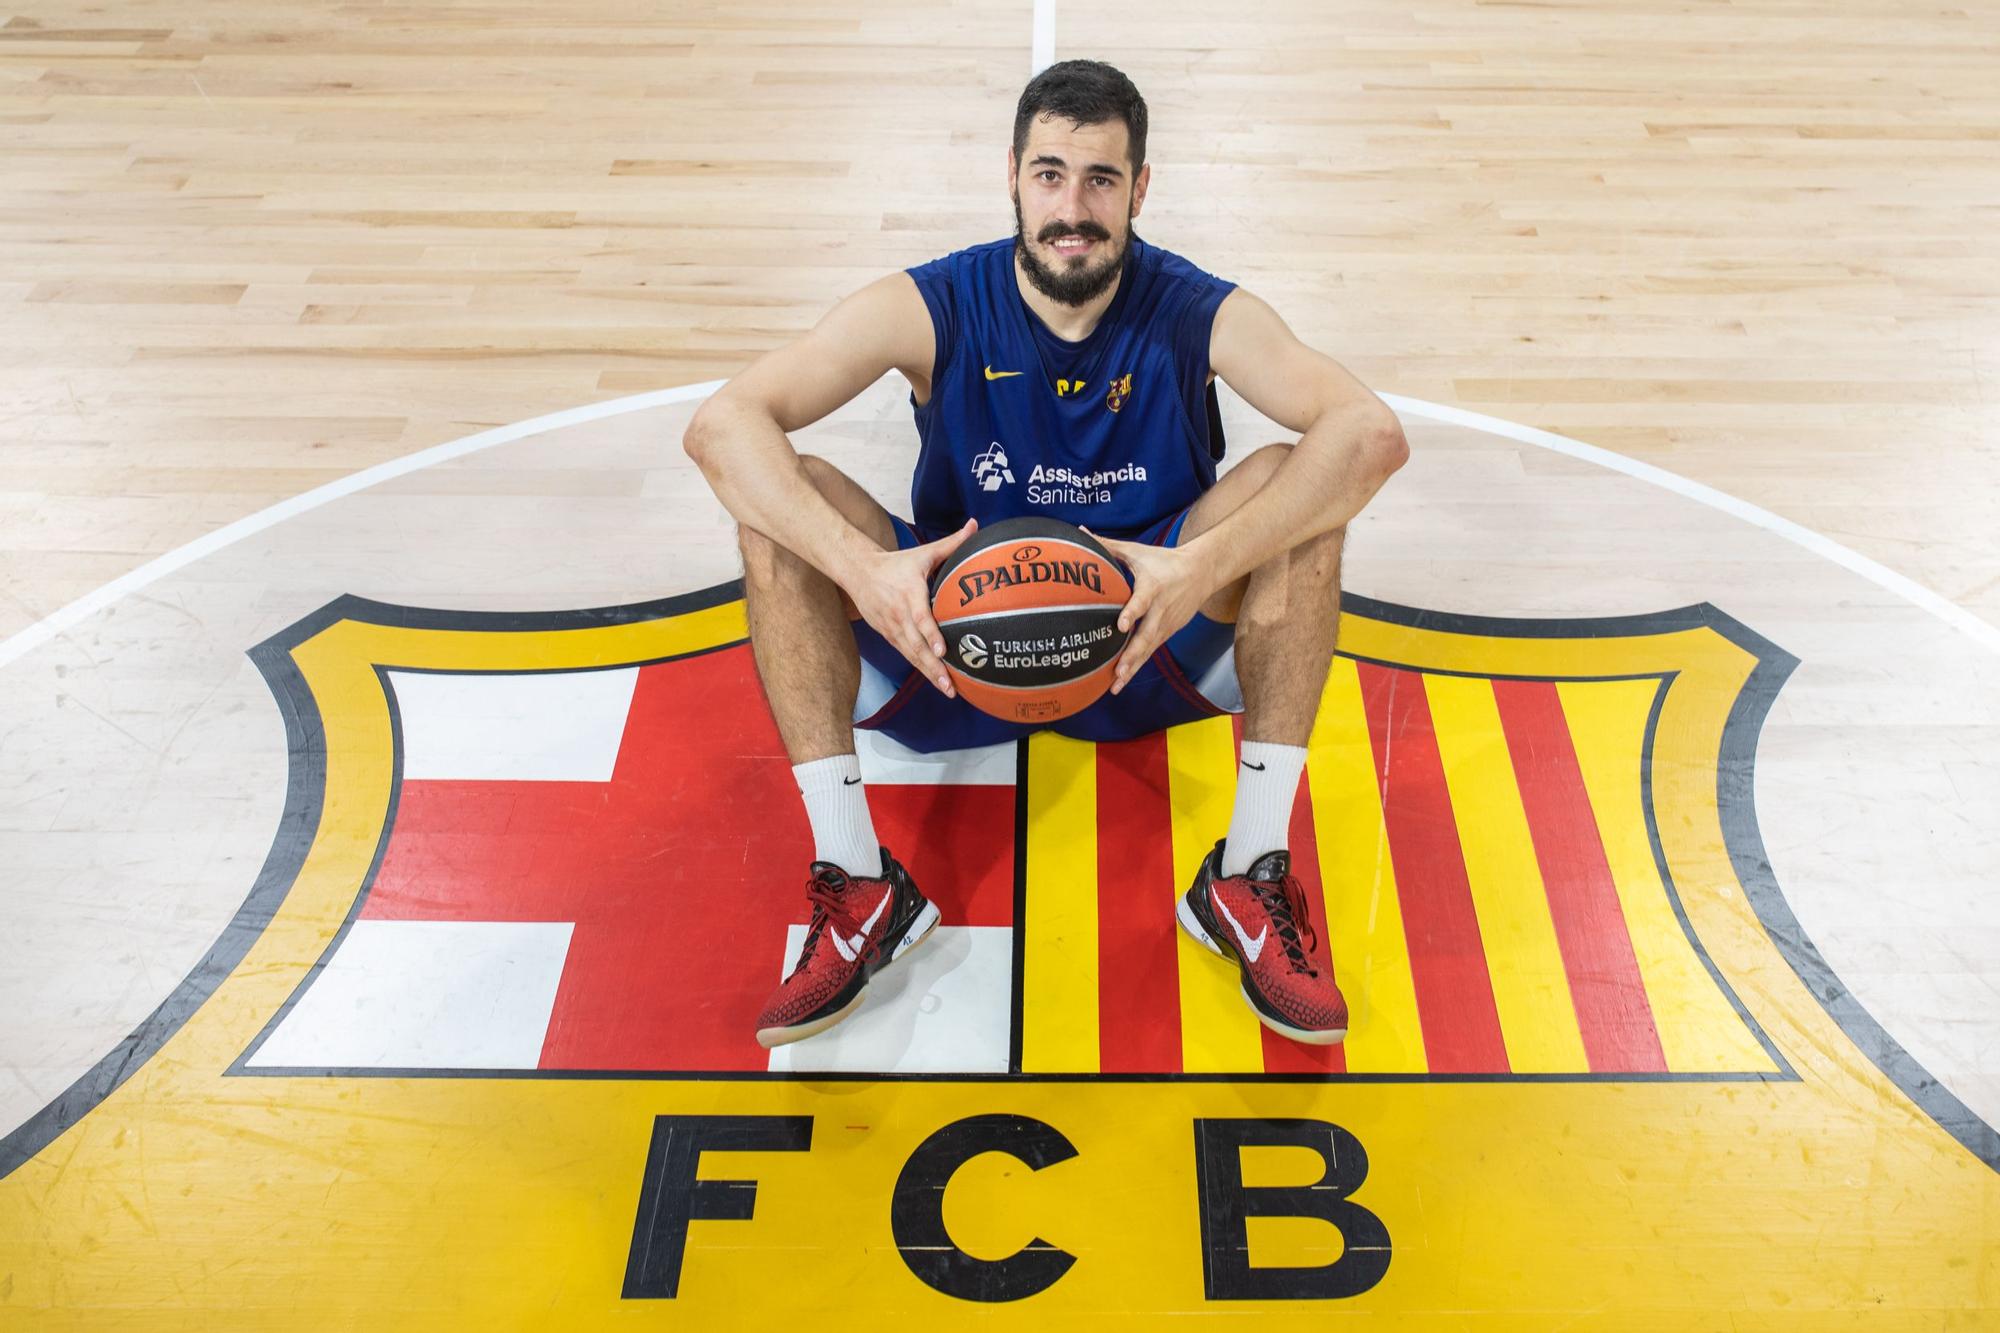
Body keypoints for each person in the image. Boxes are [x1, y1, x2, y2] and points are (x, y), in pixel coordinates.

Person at [682, 59, 1408, 1051]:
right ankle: (859, 886)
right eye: (1051, 174)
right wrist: (866, 571)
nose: (1073, 208)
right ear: (1012, 176)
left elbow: (1367, 435)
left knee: (1299, 483)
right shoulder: (934, 303)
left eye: (1101, 180)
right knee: (781, 505)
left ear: (1139, 189)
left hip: (1145, 638)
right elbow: (722, 426)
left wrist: (1196, 568)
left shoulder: (1194, 311)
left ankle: (1249, 868)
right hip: (951, 642)